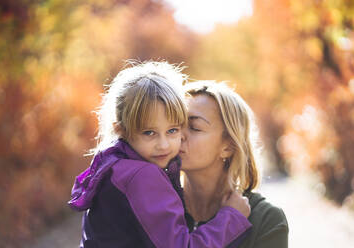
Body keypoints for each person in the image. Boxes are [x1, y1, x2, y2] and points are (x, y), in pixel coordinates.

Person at [68, 61, 252, 248]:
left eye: (173, 130)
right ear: (121, 130)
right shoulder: (142, 176)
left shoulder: (113, 166)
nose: (164, 145)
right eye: (149, 133)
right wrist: (231, 216)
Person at [180, 81, 289, 248]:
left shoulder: (265, 219)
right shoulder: (154, 208)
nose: (178, 135)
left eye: (194, 127)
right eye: (175, 125)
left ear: (228, 147)